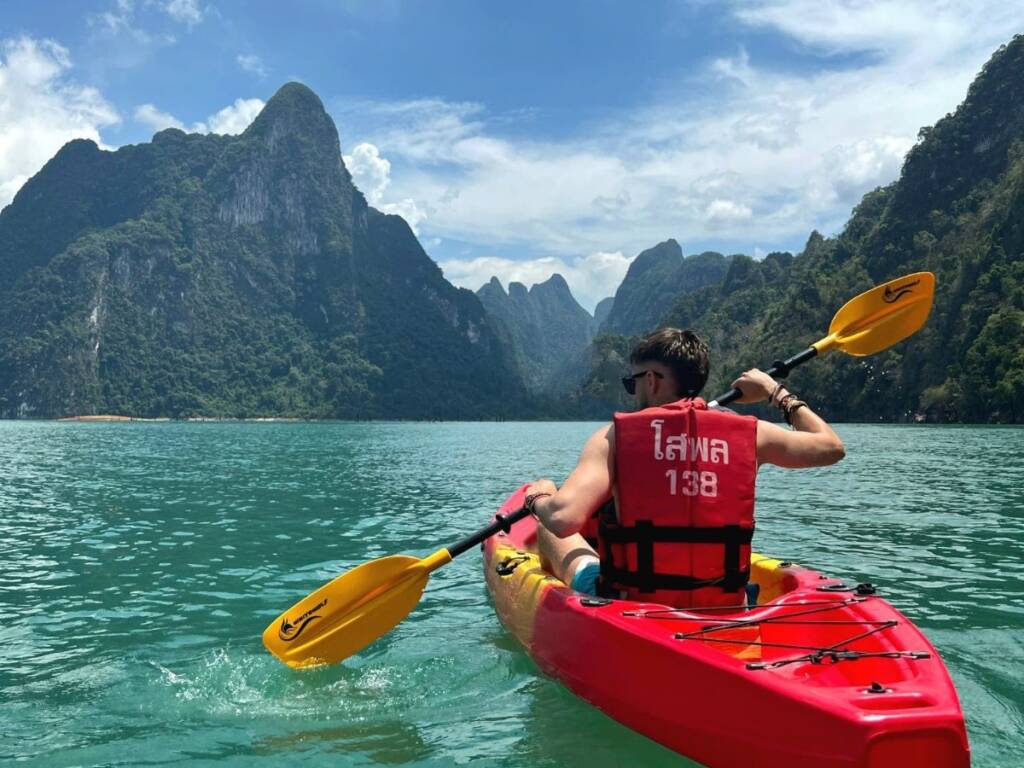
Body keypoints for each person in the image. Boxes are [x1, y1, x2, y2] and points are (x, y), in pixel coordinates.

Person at [525, 327, 845, 608]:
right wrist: (775, 393)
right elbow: (831, 447)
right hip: (726, 606)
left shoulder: (615, 437)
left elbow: (565, 519)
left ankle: (558, 611)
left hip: (631, 607)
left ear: (650, 380)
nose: (632, 391)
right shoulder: (752, 433)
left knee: (546, 524)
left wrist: (538, 498)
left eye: (631, 382)